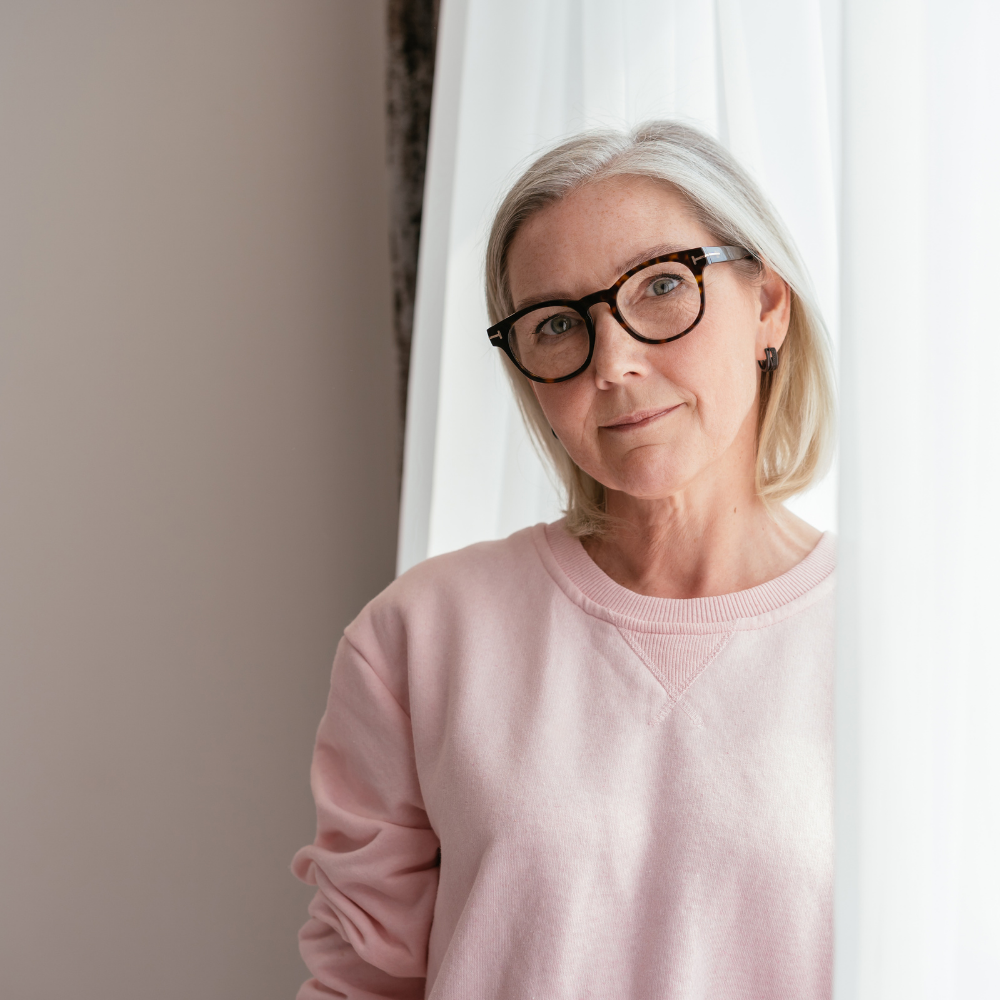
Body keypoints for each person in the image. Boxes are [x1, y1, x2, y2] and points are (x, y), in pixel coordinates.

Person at [292, 121, 836, 1000]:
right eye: (555, 324)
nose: (613, 363)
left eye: (663, 285)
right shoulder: (417, 638)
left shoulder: (912, 642)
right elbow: (362, 982)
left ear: (768, 304)